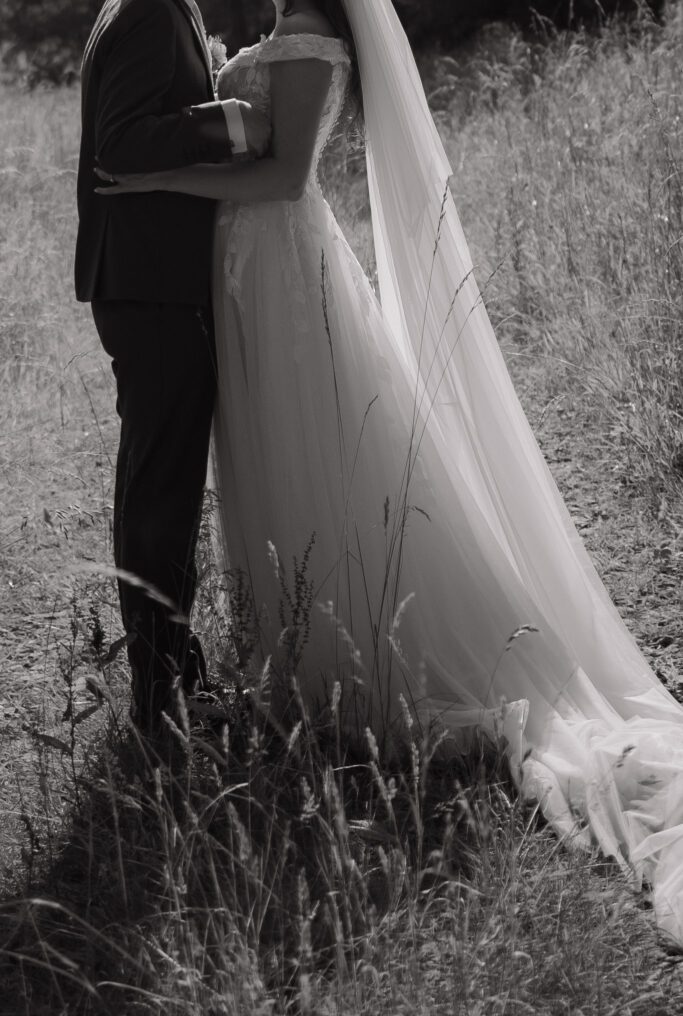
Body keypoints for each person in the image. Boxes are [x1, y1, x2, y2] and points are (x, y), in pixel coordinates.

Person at [96, 0, 683, 944]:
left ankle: (349, 639)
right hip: (243, 268)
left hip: (281, 262)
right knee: (272, 454)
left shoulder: (316, 36)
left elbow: (284, 178)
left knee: (317, 443)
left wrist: (154, 174)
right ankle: (288, 639)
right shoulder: (289, 25)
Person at [75, 0, 270, 732]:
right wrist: (231, 121)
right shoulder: (152, 9)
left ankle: (169, 672)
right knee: (161, 494)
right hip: (149, 286)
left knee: (159, 488)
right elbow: (119, 144)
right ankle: (159, 696)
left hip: (143, 282)